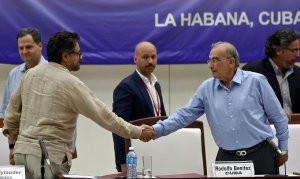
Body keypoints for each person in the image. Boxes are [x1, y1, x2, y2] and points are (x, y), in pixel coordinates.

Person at [2, 31, 153, 179]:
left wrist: (13, 145)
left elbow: (11, 114)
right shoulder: (70, 83)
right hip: (47, 158)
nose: (81, 57)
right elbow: (105, 117)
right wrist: (138, 132)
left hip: (21, 155)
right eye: (78, 53)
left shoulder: (30, 74)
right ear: (65, 56)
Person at [149, 42, 289, 174]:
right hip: (226, 159)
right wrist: (156, 130)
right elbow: (184, 115)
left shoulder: (256, 81)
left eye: (215, 60)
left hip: (260, 156)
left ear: (231, 62)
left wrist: (283, 149)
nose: (210, 65)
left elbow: (278, 116)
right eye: (209, 61)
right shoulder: (207, 88)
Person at [112, 41, 167, 172]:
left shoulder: (156, 85)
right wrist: (123, 162)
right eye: (145, 57)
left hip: (160, 151)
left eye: (153, 57)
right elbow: (118, 127)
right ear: (135, 59)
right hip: (136, 155)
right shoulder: (125, 87)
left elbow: (162, 118)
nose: (150, 61)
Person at [0, 27, 48, 165]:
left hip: (44, 146)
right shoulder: (14, 74)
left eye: (28, 47)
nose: (24, 52)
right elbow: (5, 113)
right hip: (18, 147)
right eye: (21, 48)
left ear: (40, 46)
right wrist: (9, 146)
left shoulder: (52, 72)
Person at [242, 28, 300, 116]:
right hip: (266, 127)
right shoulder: (252, 72)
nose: (298, 55)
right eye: (294, 50)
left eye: (298, 50)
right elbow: (245, 106)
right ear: (278, 50)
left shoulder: (298, 73)